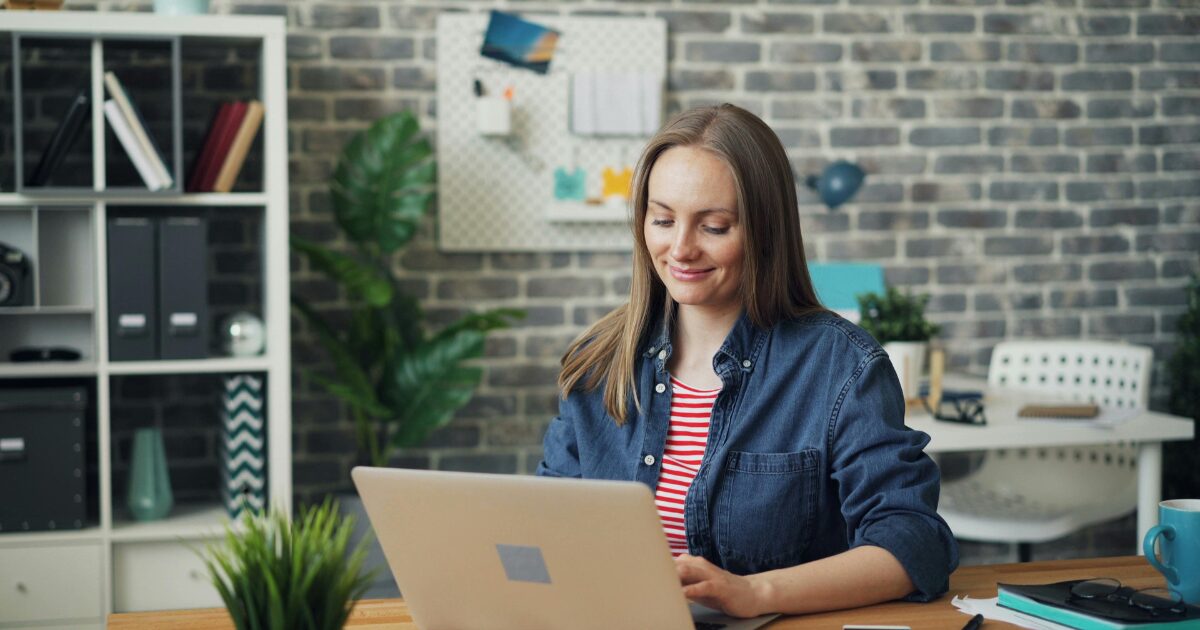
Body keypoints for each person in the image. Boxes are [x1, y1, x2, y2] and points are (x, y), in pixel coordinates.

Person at [535, 103, 958, 618]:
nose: (681, 248)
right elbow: (547, 528)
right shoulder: (598, 365)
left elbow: (914, 542)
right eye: (663, 219)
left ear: (764, 231)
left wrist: (754, 593)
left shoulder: (839, 366)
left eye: (713, 227)